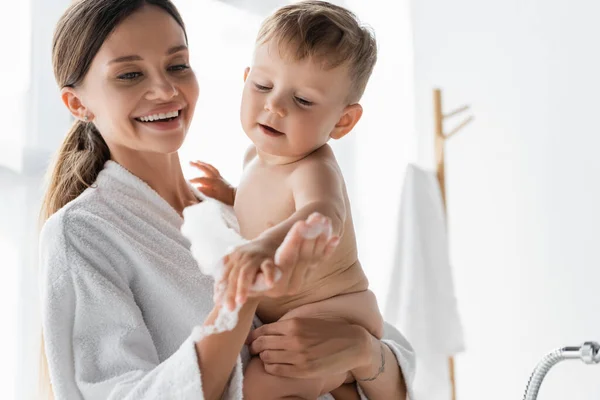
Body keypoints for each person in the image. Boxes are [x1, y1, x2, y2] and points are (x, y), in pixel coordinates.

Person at [39, 1, 415, 399]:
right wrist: (239, 300)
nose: (166, 89)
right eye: (130, 74)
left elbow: (398, 370)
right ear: (78, 104)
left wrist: (362, 352)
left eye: (178, 65)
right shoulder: (83, 232)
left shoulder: (235, 212)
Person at [189, 2, 386, 398]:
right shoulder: (256, 157)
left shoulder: (314, 169)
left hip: (335, 311)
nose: (274, 105)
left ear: (342, 121)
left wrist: (264, 244)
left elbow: (322, 214)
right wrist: (229, 193)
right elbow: (265, 206)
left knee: (257, 386)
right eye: (262, 86)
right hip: (297, 317)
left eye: (304, 101)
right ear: (245, 79)